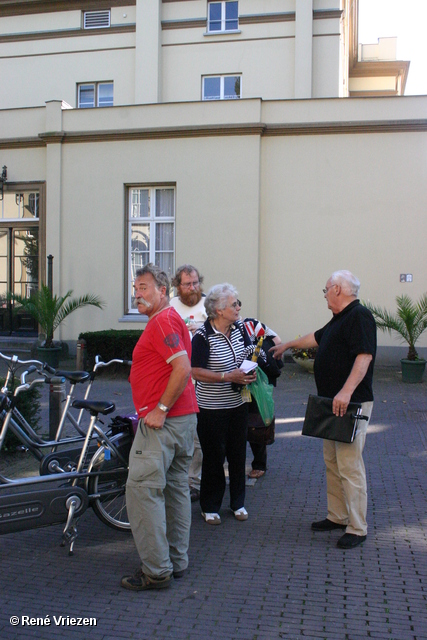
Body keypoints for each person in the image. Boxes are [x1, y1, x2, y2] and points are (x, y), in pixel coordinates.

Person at [270, 270, 376, 549]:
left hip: (349, 404)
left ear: (338, 290)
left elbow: (364, 357)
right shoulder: (340, 318)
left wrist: (346, 391)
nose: (325, 294)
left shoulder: (359, 316)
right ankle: (338, 516)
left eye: (326, 289)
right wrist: (287, 345)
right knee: (332, 461)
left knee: (349, 465)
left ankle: (357, 527)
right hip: (331, 403)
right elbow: (317, 338)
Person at [121, 263, 198, 591]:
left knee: (142, 490)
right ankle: (176, 562)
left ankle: (156, 570)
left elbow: (181, 368)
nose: (137, 294)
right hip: (183, 421)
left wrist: (160, 409)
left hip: (165, 423)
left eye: (144, 288)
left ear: (163, 291)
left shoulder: (163, 320)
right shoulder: (169, 319)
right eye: (136, 288)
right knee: (176, 488)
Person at [191, 284, 257, 525]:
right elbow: (195, 371)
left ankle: (238, 503)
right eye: (234, 304)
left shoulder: (239, 328)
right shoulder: (202, 336)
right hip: (210, 408)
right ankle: (210, 506)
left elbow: (250, 351)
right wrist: (227, 376)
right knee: (213, 457)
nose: (239, 307)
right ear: (218, 310)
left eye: (238, 303)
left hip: (238, 404)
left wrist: (251, 370)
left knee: (238, 455)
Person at [170, 264, 207, 502]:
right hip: (178, 379)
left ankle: (195, 481)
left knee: (198, 436)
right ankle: (177, 479)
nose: (192, 288)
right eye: (187, 284)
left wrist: (203, 329)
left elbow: (230, 328)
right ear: (178, 285)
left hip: (204, 379)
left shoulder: (211, 304)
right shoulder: (171, 306)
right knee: (179, 433)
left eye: (195, 283)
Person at [242, 317, 282, 479]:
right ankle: (258, 464)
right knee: (250, 424)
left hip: (255, 385)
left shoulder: (251, 326)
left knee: (254, 424)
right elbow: (277, 340)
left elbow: (276, 342)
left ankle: (259, 464)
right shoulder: (250, 324)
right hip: (248, 384)